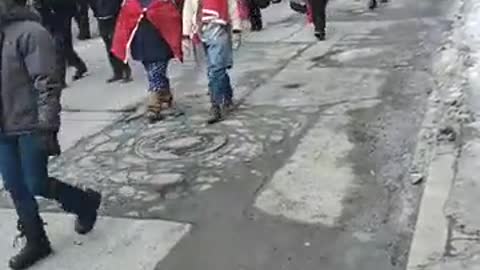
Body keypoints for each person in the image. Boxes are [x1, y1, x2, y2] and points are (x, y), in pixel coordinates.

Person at [0, 1, 102, 269]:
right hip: (3, 129)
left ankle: (84, 203)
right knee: (15, 186)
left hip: (30, 124)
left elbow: (48, 83)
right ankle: (37, 241)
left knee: (35, 182)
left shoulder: (30, 33)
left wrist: (47, 126)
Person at [112, 0, 183, 122]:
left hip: (160, 42)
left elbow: (173, 15)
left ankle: (153, 107)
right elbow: (124, 21)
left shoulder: (164, 3)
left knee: (155, 73)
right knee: (153, 71)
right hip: (142, 43)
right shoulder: (131, 3)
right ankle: (165, 95)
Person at [183, 0, 242, 124]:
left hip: (219, 28)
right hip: (200, 31)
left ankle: (216, 104)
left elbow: (232, 6)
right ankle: (227, 96)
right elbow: (188, 9)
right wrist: (186, 34)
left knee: (215, 69)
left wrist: (236, 28)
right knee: (215, 67)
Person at [33, 0, 88, 88]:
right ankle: (79, 65)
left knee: (59, 48)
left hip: (61, 13)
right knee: (64, 46)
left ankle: (60, 79)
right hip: (49, 15)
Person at [91, 0, 132, 83]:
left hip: (114, 16)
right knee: (109, 46)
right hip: (102, 18)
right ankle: (117, 71)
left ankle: (125, 70)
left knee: (117, 44)